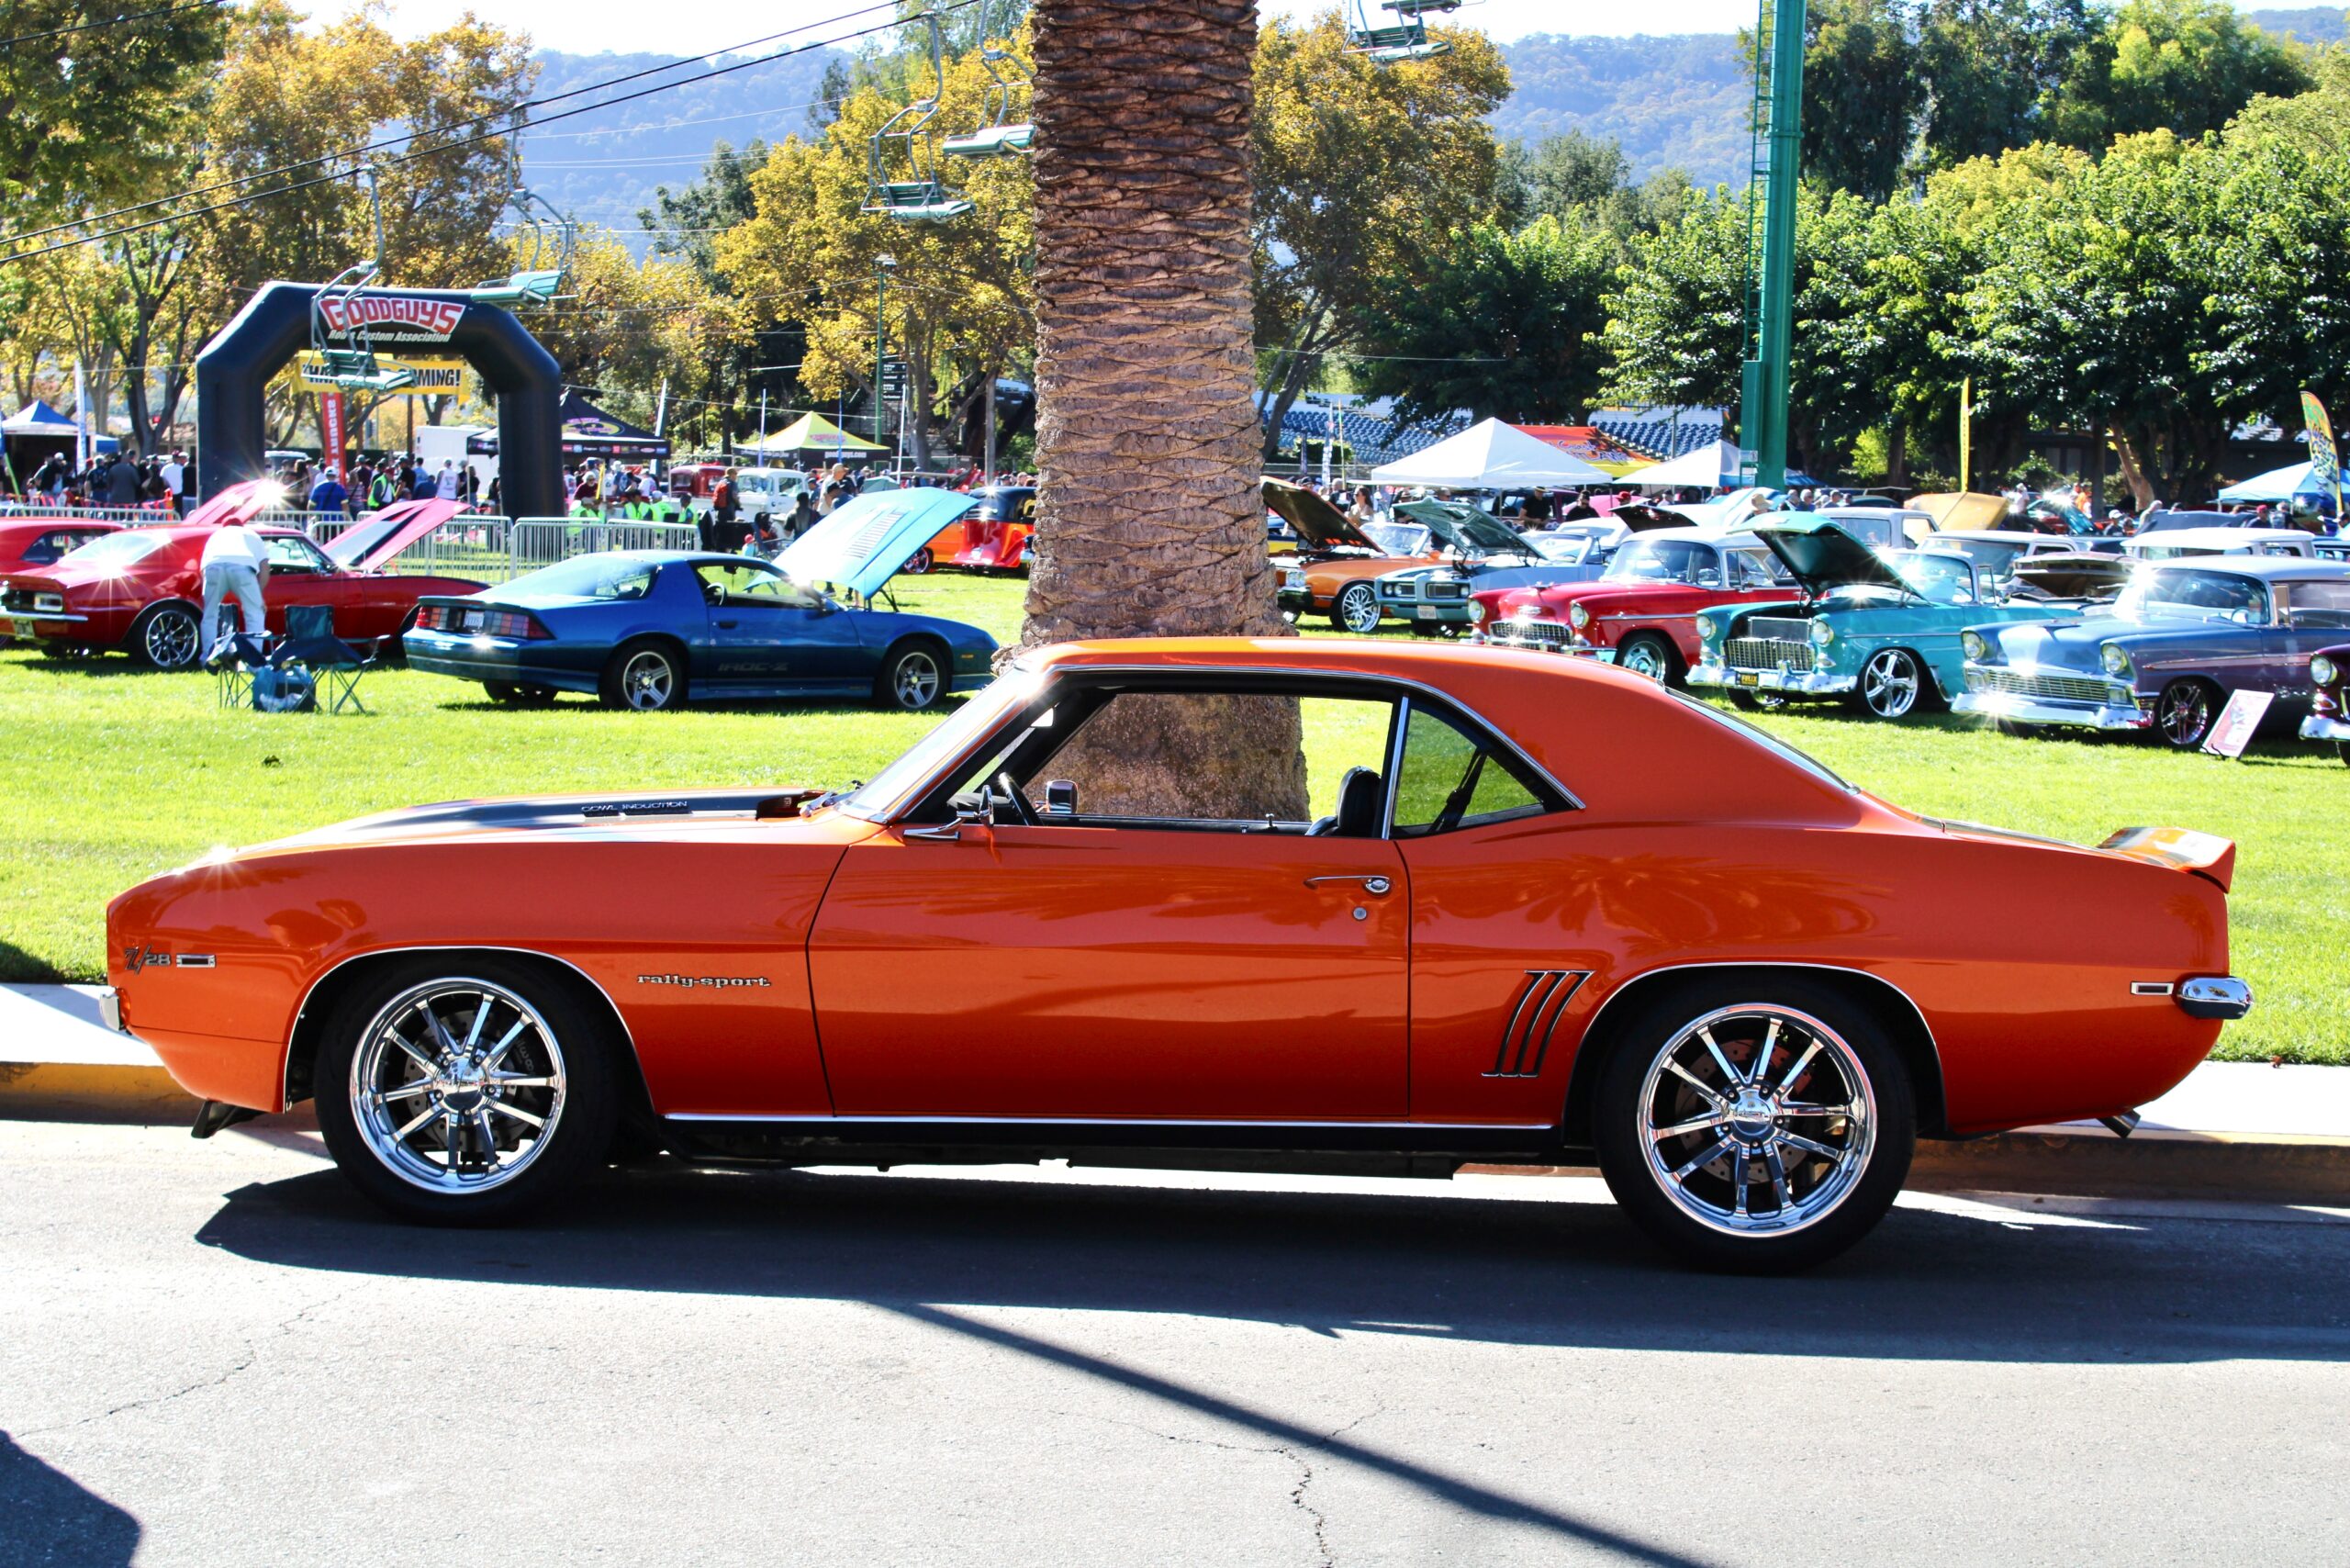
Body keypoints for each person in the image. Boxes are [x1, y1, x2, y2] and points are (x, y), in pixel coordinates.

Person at [199, 516, 270, 661]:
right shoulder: (252, 535)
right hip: (242, 568)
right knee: (254, 613)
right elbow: (265, 568)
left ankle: (208, 657)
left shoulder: (215, 535)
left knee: (209, 615)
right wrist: (259, 595)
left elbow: (203, 570)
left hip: (213, 567)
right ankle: (254, 659)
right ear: (242, 526)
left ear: (224, 526)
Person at [711, 468, 740, 549]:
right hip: (729, 511)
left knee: (720, 530)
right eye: (735, 474)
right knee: (730, 530)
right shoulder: (733, 483)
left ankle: (719, 547)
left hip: (719, 512)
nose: (736, 476)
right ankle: (729, 549)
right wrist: (739, 504)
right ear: (731, 474)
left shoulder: (720, 482)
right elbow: (734, 496)